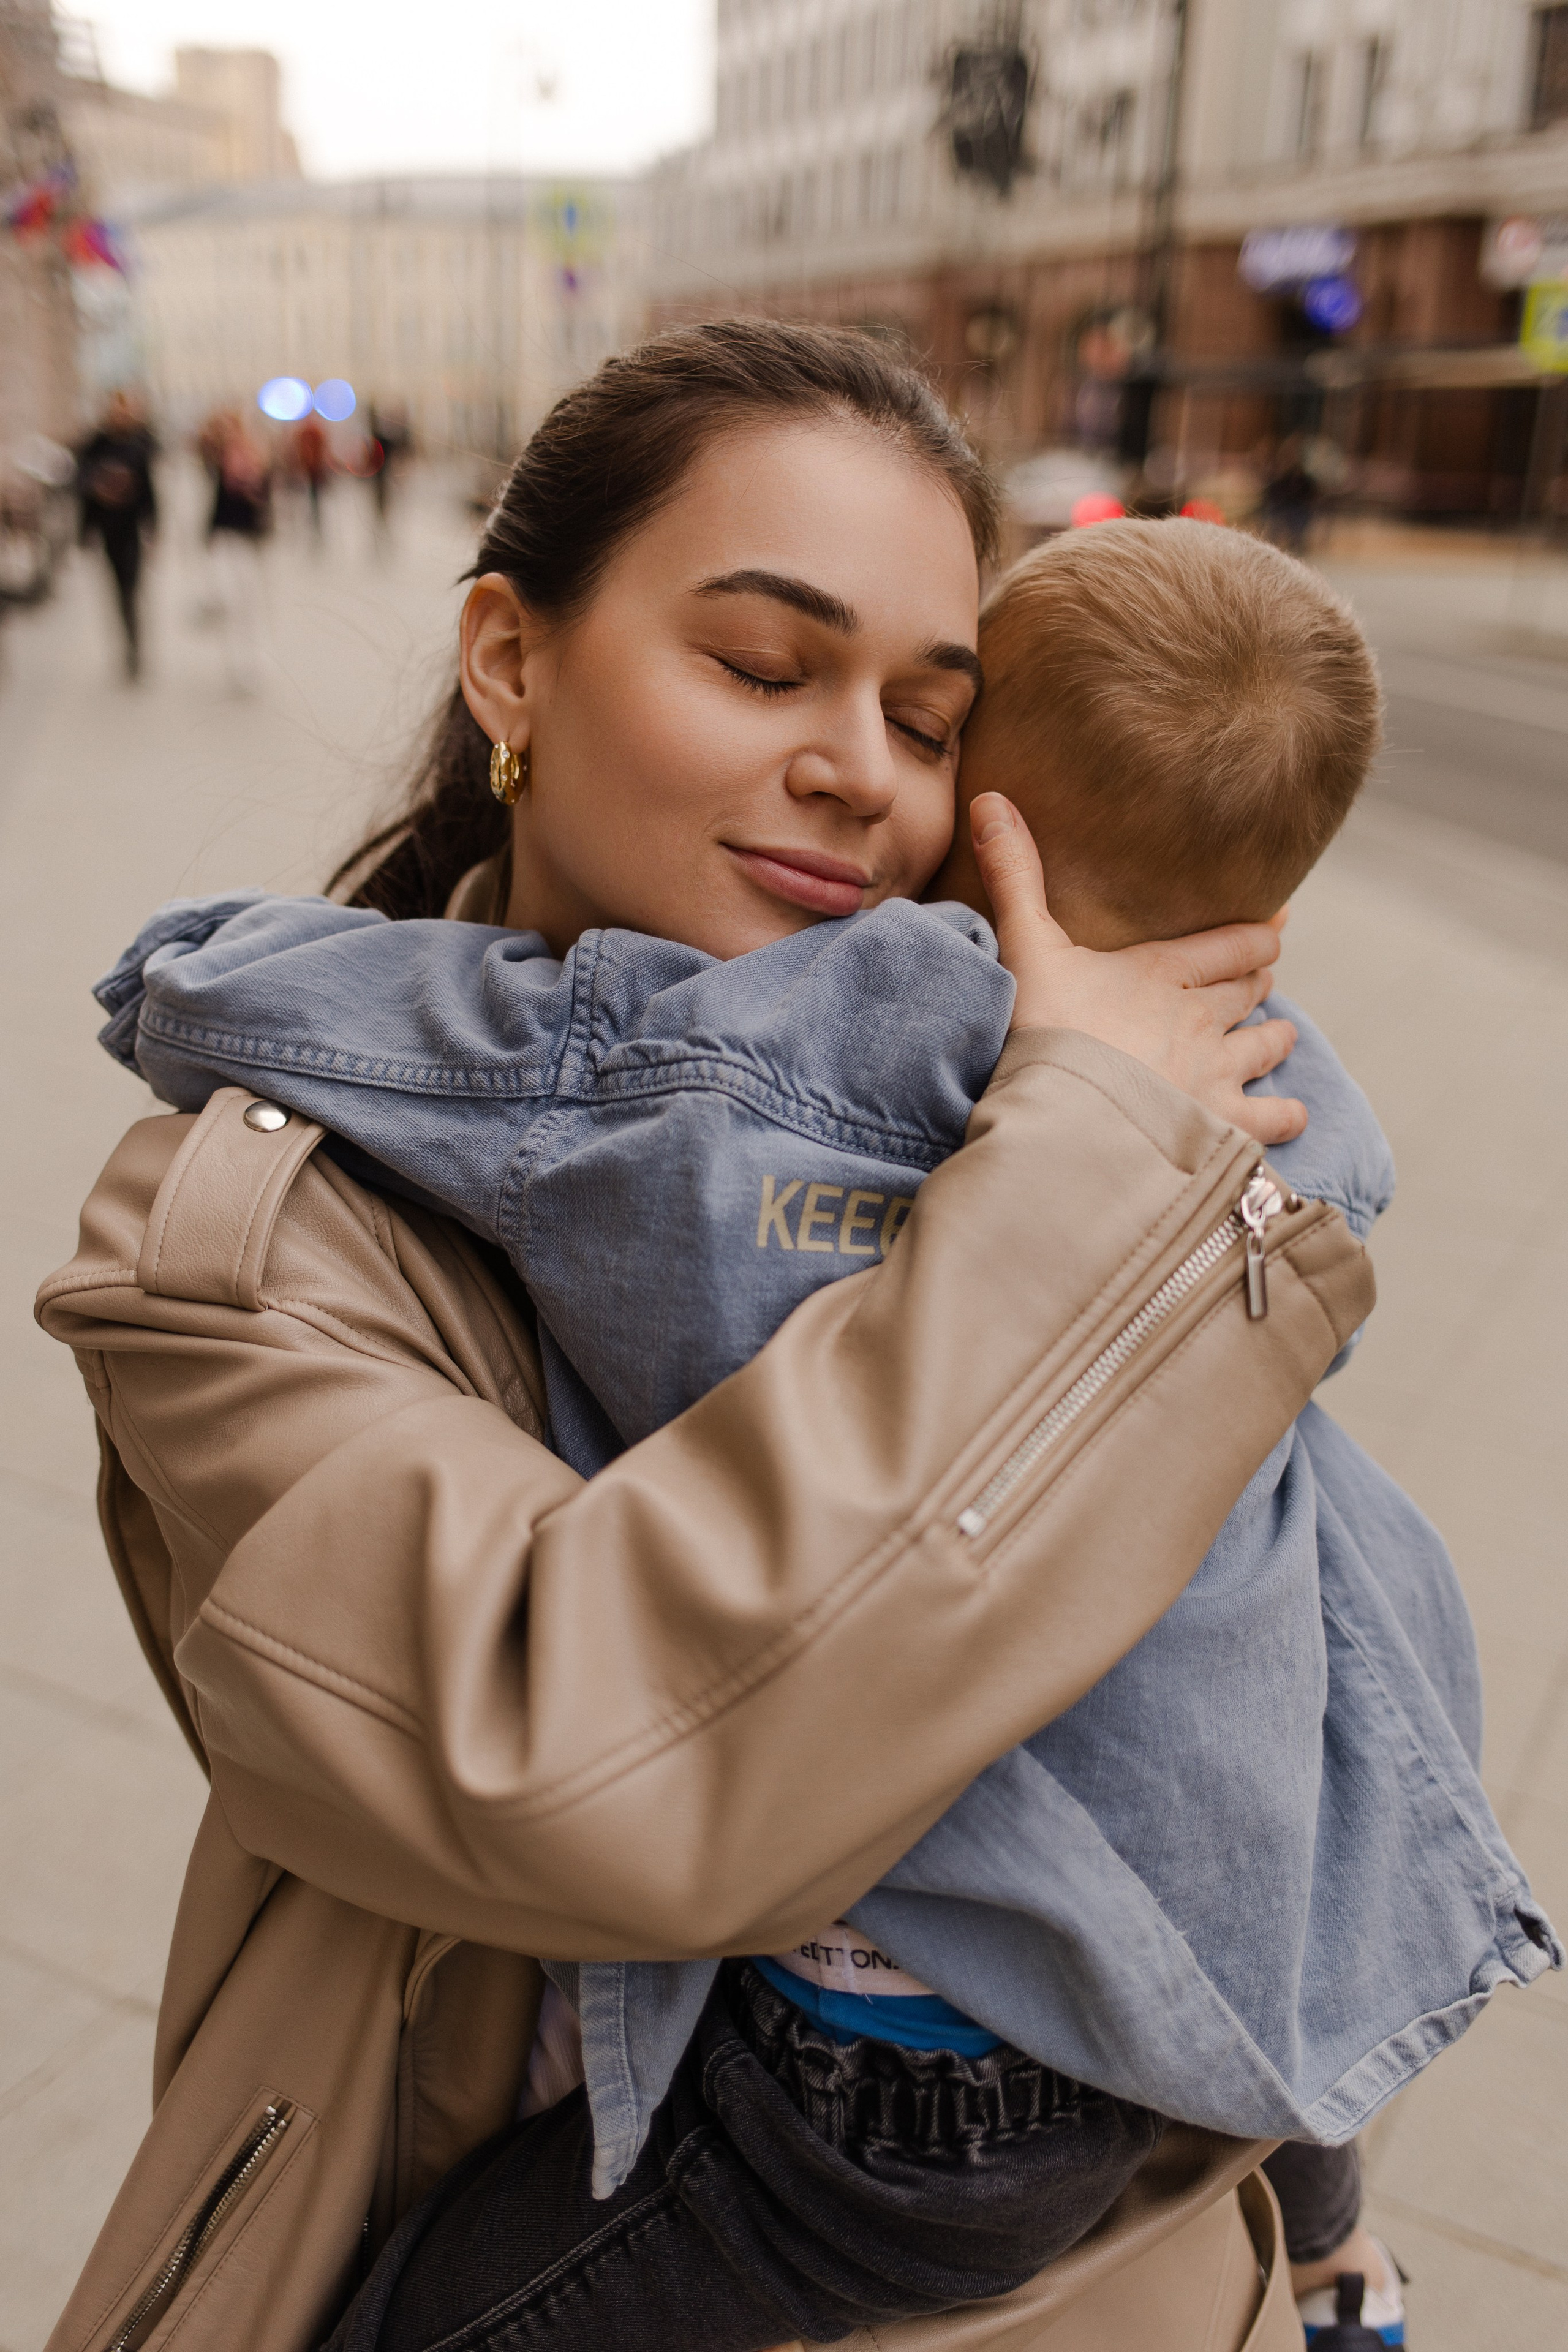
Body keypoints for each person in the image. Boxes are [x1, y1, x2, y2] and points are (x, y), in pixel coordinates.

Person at [39, 322, 1379, 2352]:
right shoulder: (250, 1232)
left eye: (932, 721)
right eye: (764, 666)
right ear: (514, 659)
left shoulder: (1058, 1112)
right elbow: (605, 1784)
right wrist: (1089, 1185)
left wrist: (1331, 2204)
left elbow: (1249, 1669)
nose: (853, 765)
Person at [75, 390, 157, 679]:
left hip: (131, 525)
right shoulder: (97, 443)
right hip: (107, 525)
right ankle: (127, 641)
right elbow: (81, 485)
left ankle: (135, 645)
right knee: (116, 589)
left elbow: (149, 491)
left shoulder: (139, 443)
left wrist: (154, 529)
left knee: (131, 588)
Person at [200, 407, 272, 692]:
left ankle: (251, 661)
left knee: (249, 601)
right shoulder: (217, 460)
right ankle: (235, 661)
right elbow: (215, 501)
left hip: (249, 537)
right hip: (225, 536)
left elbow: (266, 501)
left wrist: (253, 491)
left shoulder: (257, 459)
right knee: (230, 598)